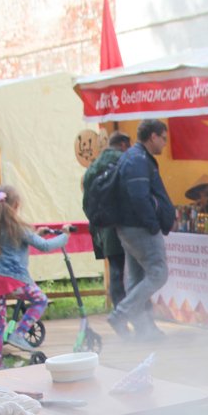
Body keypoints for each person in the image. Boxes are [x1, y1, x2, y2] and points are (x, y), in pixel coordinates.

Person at [0, 185, 70, 369]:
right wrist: (65, 235)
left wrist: (36, 234)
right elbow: (44, 246)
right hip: (13, 279)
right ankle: (20, 333)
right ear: (16, 205)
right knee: (40, 300)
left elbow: (13, 244)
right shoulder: (19, 227)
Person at [107, 119, 175, 342]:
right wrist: (153, 223)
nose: (164, 144)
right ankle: (120, 314)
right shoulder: (137, 159)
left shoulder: (134, 157)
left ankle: (144, 330)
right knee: (158, 272)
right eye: (163, 138)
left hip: (129, 227)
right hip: (139, 227)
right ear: (153, 137)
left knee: (136, 280)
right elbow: (138, 195)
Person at [82, 130, 131, 310]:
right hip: (124, 225)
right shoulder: (124, 160)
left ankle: (118, 311)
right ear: (124, 144)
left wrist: (97, 224)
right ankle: (133, 315)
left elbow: (85, 202)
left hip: (102, 227)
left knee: (115, 271)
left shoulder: (93, 168)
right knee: (134, 272)